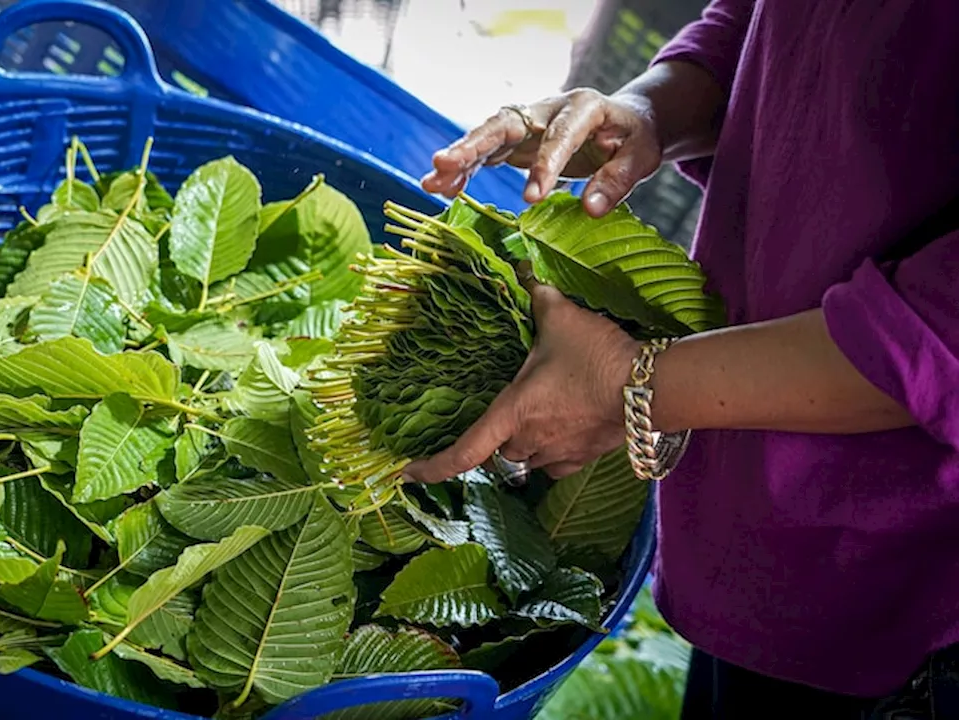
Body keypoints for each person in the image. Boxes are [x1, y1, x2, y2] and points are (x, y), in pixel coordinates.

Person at [400, 1, 959, 718]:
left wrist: (634, 383)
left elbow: (939, 331)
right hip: (764, 535)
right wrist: (648, 111)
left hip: (901, 603)